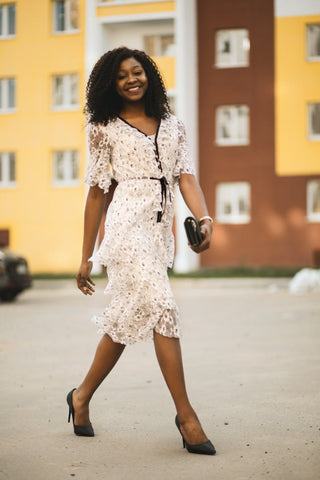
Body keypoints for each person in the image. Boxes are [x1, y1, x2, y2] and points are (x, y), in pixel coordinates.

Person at [67, 47, 216, 455]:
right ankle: (186, 416)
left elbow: (186, 178)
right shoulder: (103, 128)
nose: (131, 79)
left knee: (125, 320)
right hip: (125, 229)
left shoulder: (173, 125)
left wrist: (204, 220)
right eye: (121, 76)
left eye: (137, 72)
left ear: (149, 74)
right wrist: (86, 256)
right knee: (163, 306)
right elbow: (97, 194)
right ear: (110, 85)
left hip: (158, 235)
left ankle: (80, 397)